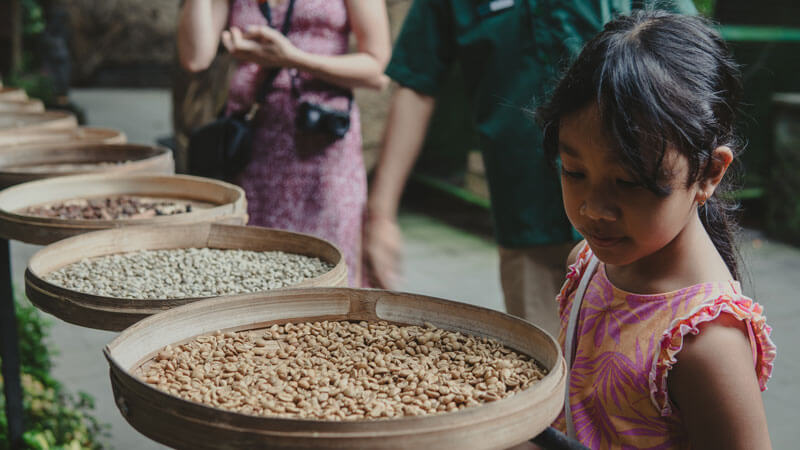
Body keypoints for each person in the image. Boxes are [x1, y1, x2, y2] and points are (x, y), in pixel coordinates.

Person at [363, 0, 696, 335]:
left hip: (635, 211)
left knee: (654, 352)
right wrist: (381, 213)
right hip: (525, 208)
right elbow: (417, 80)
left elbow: (688, 54)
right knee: (545, 360)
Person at [536, 11, 775, 448]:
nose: (594, 209)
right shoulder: (587, 266)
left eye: (628, 182)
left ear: (708, 173)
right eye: (573, 171)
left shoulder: (706, 345)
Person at [178, 0, 391, 286]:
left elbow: (376, 68)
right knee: (251, 271)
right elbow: (195, 57)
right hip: (252, 145)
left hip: (322, 147)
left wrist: (292, 58)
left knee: (327, 267)